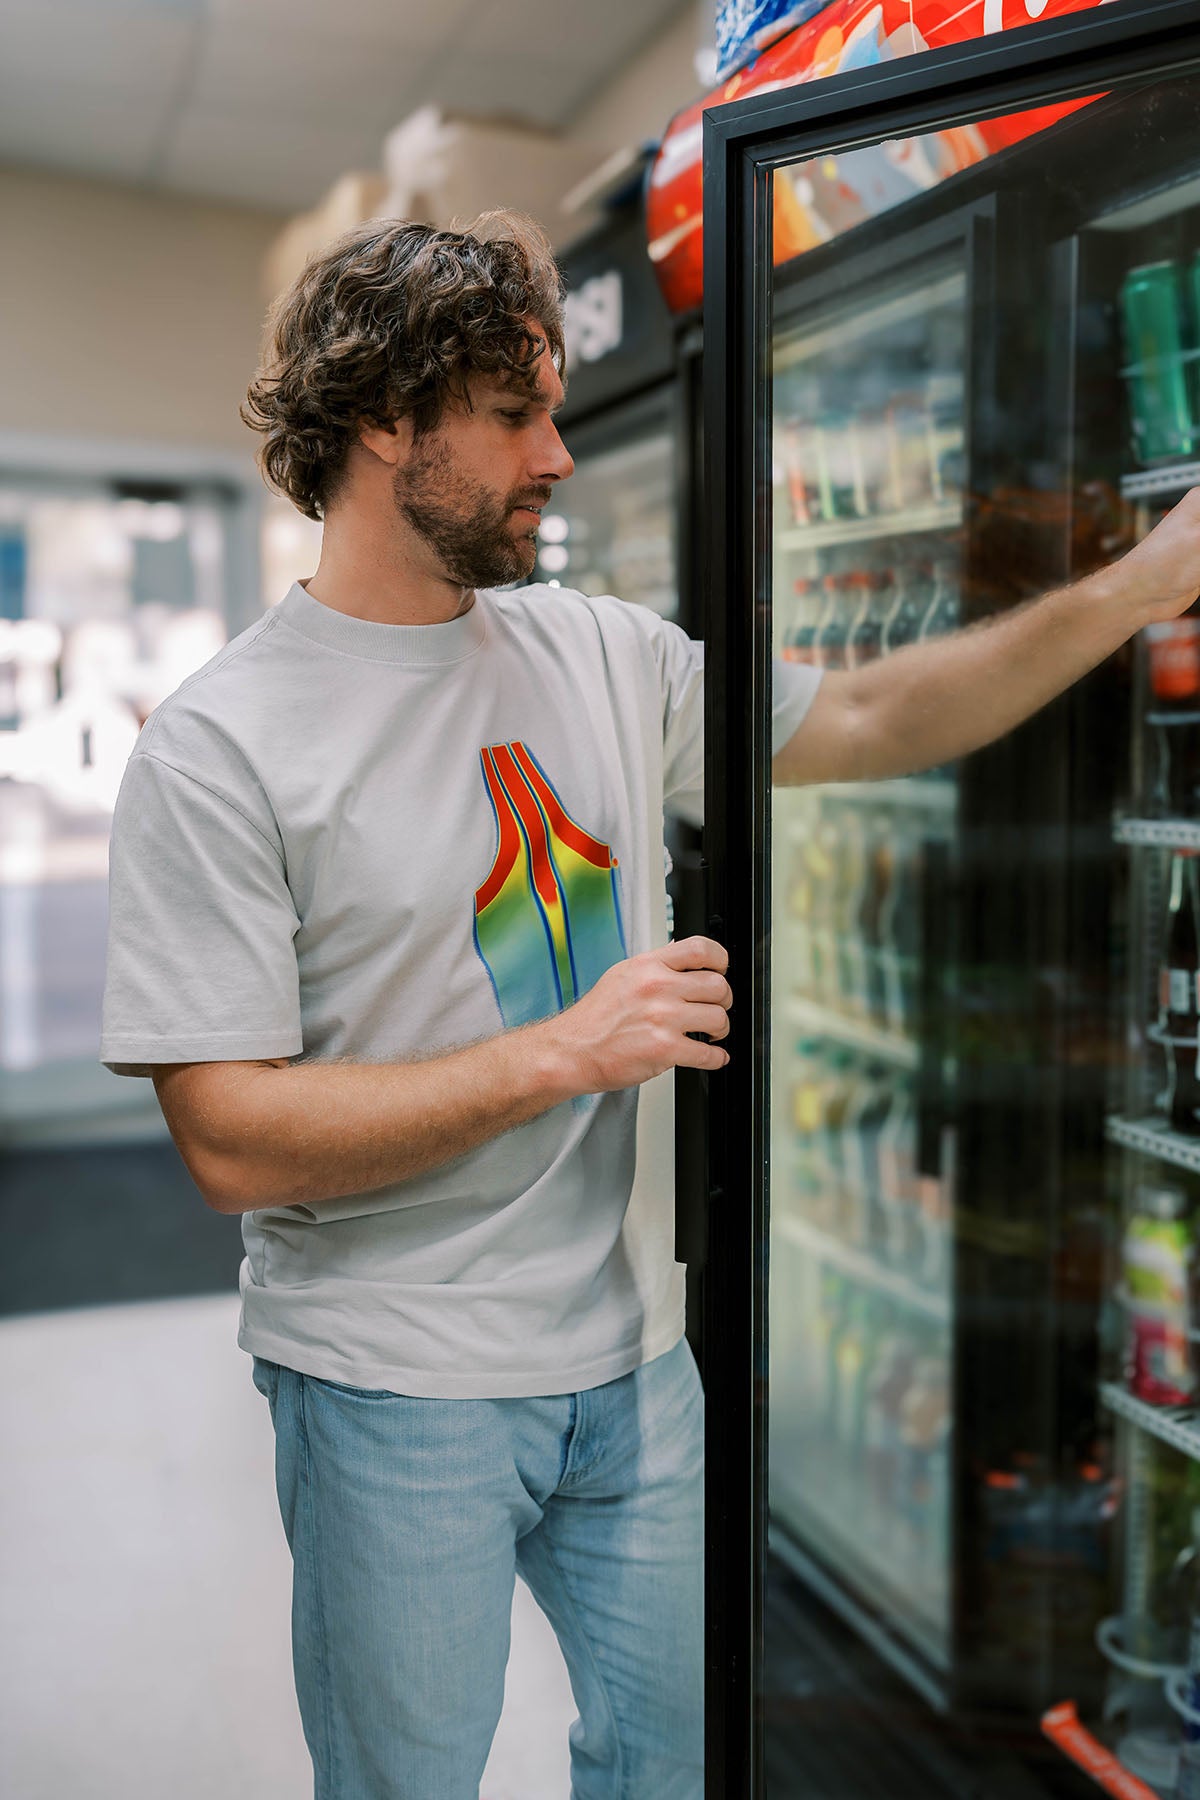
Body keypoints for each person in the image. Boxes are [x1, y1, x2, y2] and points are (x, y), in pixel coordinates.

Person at [101, 210, 1200, 1800]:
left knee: (677, 1768)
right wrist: (563, 1050)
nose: (557, 454)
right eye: (512, 413)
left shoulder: (603, 652)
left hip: (637, 1370)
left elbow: (881, 708)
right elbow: (230, 1136)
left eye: (557, 410)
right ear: (383, 422)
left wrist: (1147, 581)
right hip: (394, 1383)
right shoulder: (220, 746)